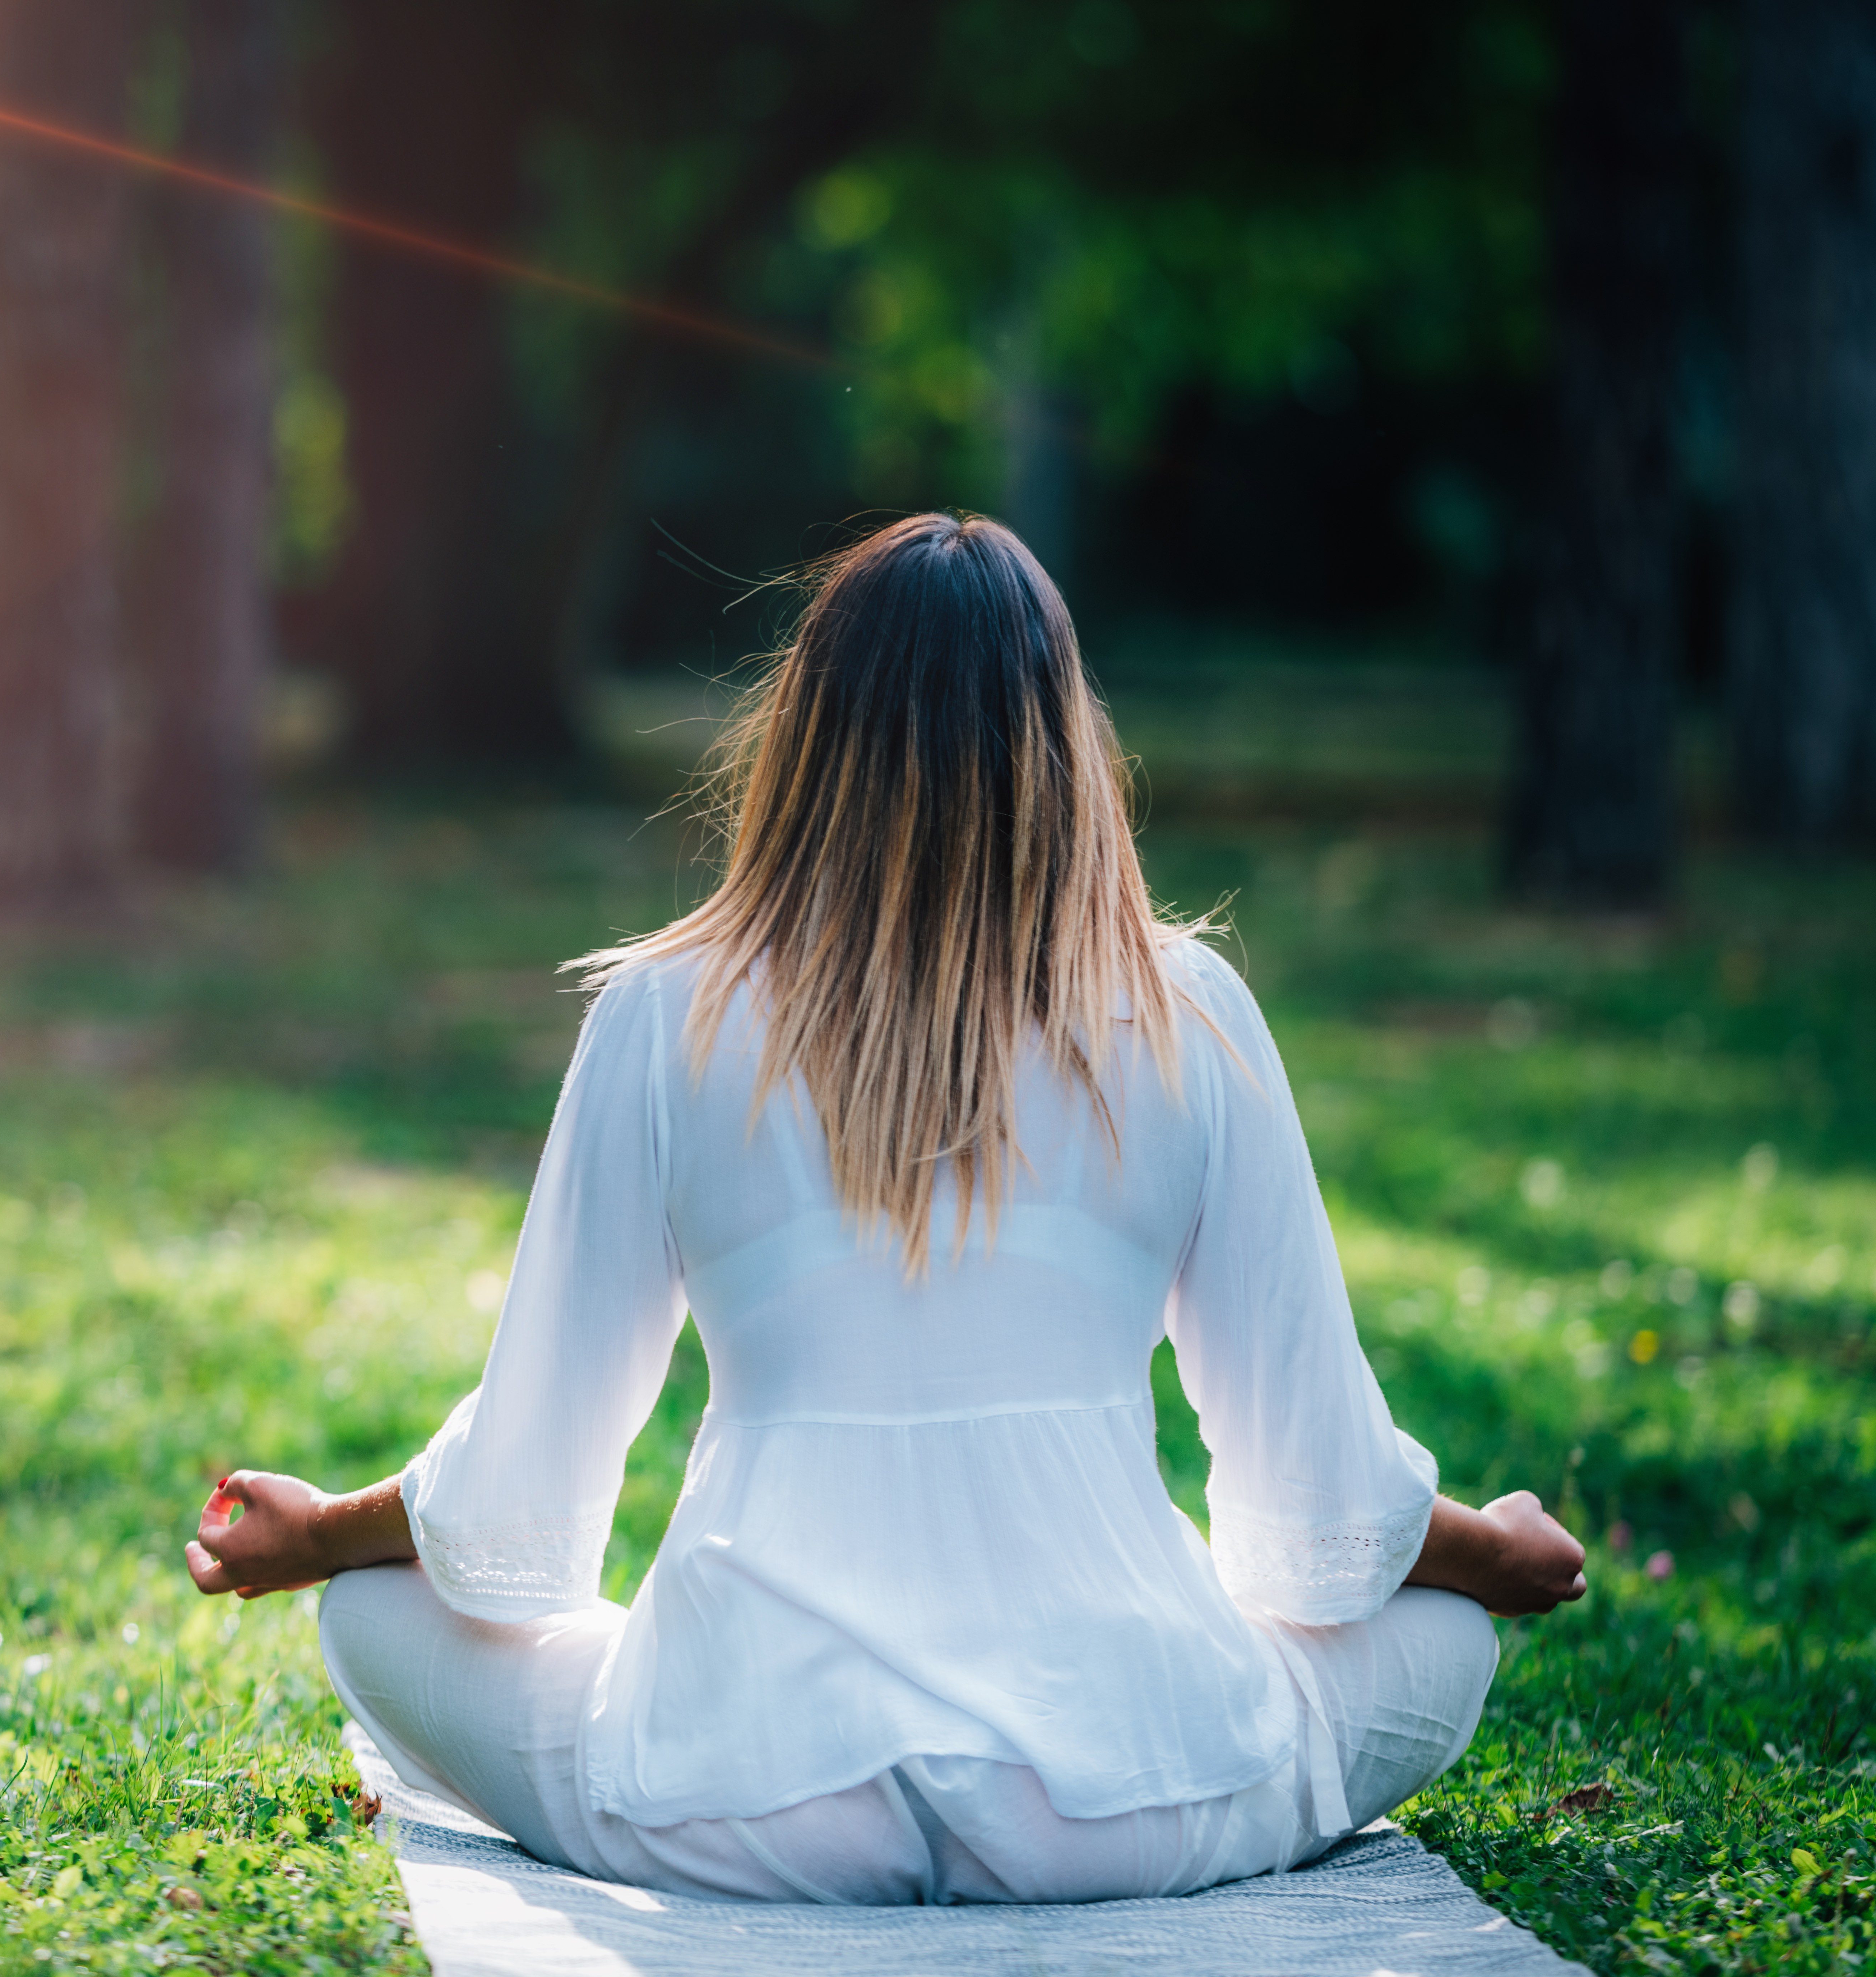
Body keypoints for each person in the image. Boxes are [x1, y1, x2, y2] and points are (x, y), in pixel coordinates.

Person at [183, 513, 1587, 1907]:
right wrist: (1493, 1547)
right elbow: (1325, 1517)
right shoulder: (1189, 1015)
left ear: (808, 734)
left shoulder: (662, 1015)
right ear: (1064, 740)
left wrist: (320, 1537)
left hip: (747, 1809)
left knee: (375, 1610)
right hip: (1131, 1802)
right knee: (1442, 1631)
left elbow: (510, 1517)